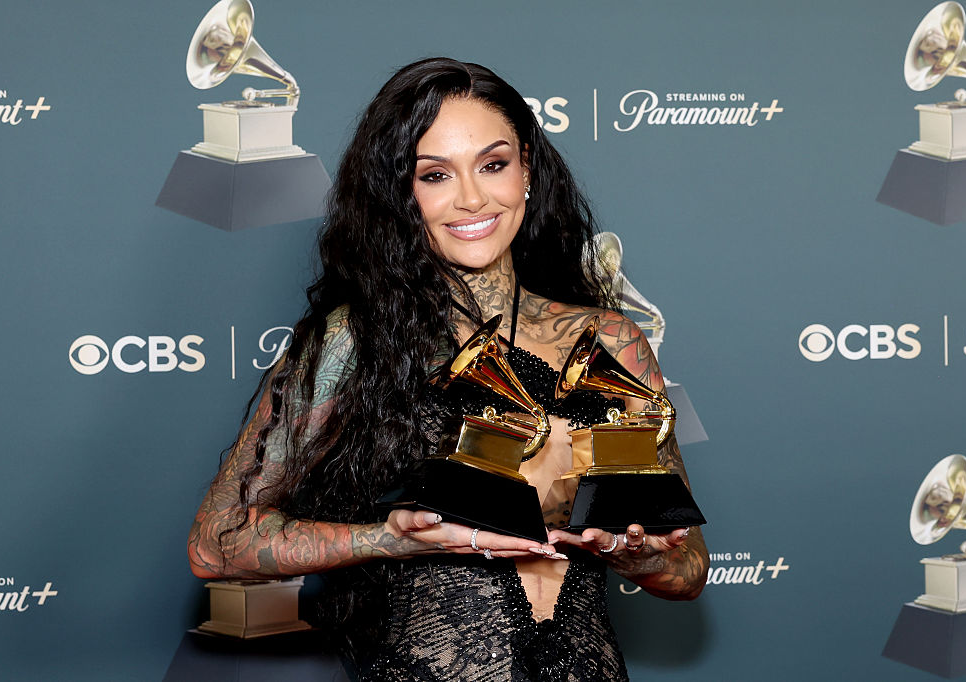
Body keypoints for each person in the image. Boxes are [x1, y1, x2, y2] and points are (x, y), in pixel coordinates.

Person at [188, 57, 708, 681]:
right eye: (435, 175)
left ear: (528, 174)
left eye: (493, 165)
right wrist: (395, 538)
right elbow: (216, 544)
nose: (471, 198)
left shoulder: (611, 339)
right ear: (399, 196)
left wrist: (629, 551)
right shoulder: (355, 340)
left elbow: (689, 571)